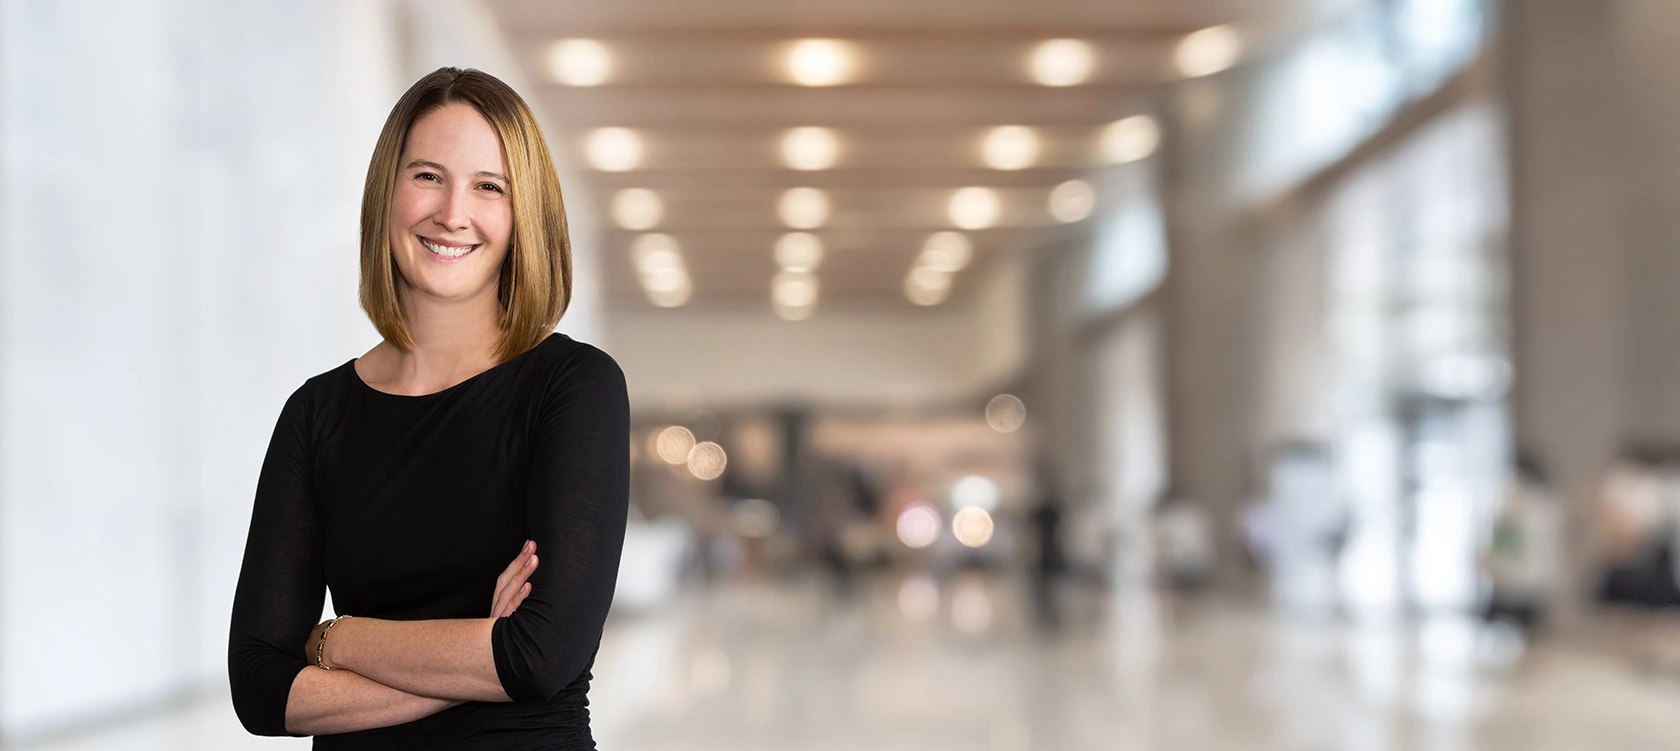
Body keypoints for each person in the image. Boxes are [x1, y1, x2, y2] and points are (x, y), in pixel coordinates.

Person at [227, 67, 629, 749]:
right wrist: (480, 651)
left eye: (489, 186)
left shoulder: (573, 386)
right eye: (427, 176)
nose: (452, 212)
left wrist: (335, 639)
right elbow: (261, 689)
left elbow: (540, 656)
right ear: (387, 192)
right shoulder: (316, 414)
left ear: (524, 214)